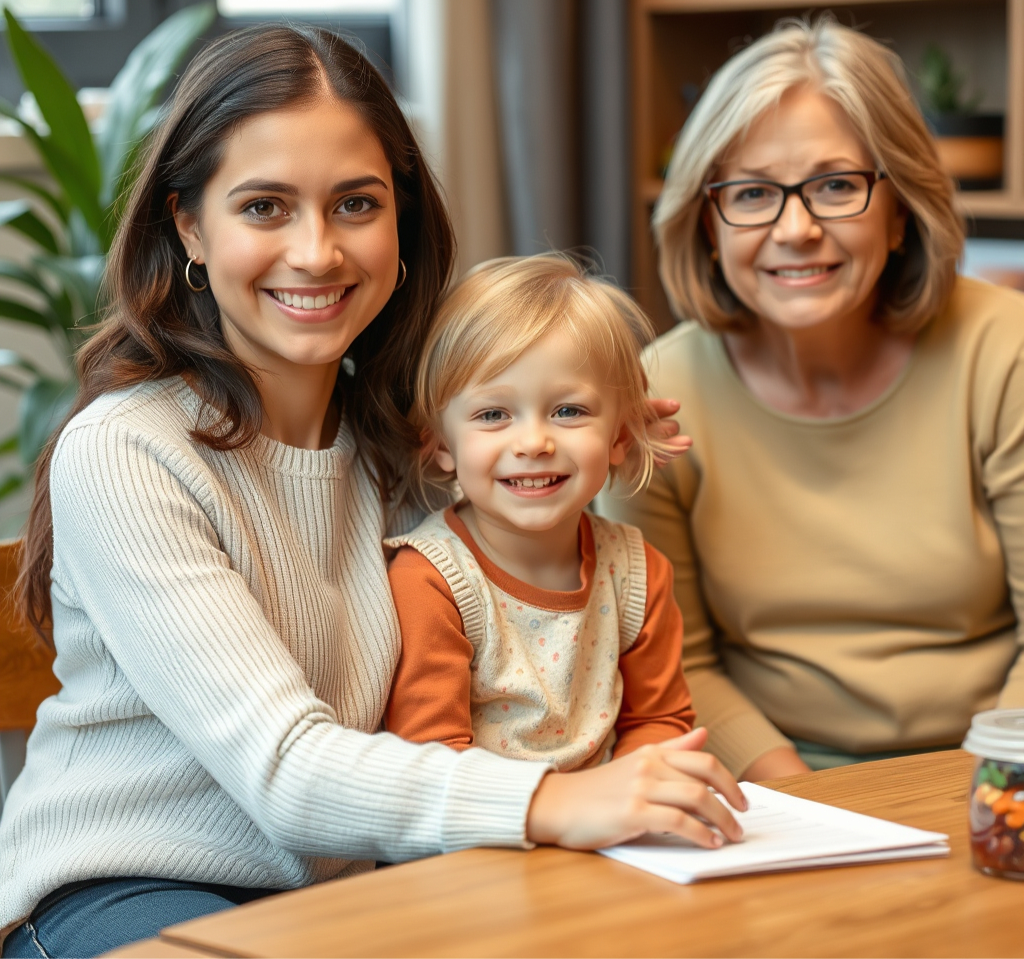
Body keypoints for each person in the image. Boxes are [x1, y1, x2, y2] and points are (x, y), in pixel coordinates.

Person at [0, 24, 745, 958]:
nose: (316, 252)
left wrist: (596, 436)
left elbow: (551, 613)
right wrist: (558, 800)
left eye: (355, 203)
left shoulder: (411, 443)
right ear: (189, 225)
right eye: (265, 207)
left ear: (402, 221)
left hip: (356, 893)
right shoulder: (127, 452)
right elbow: (283, 769)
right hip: (123, 887)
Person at [599, 16, 1024, 782]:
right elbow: (678, 659)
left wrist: (980, 789)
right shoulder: (657, 394)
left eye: (836, 186)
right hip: (775, 790)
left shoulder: (1005, 352)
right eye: (752, 193)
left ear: (900, 210)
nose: (795, 229)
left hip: (993, 770)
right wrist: (815, 807)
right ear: (708, 222)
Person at [384, 254, 700, 771]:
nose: (533, 442)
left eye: (568, 410)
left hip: (613, 815)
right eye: (493, 414)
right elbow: (433, 765)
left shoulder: (638, 573)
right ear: (440, 445)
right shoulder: (430, 582)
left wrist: (631, 786)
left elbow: (659, 721)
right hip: (485, 819)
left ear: (619, 436)